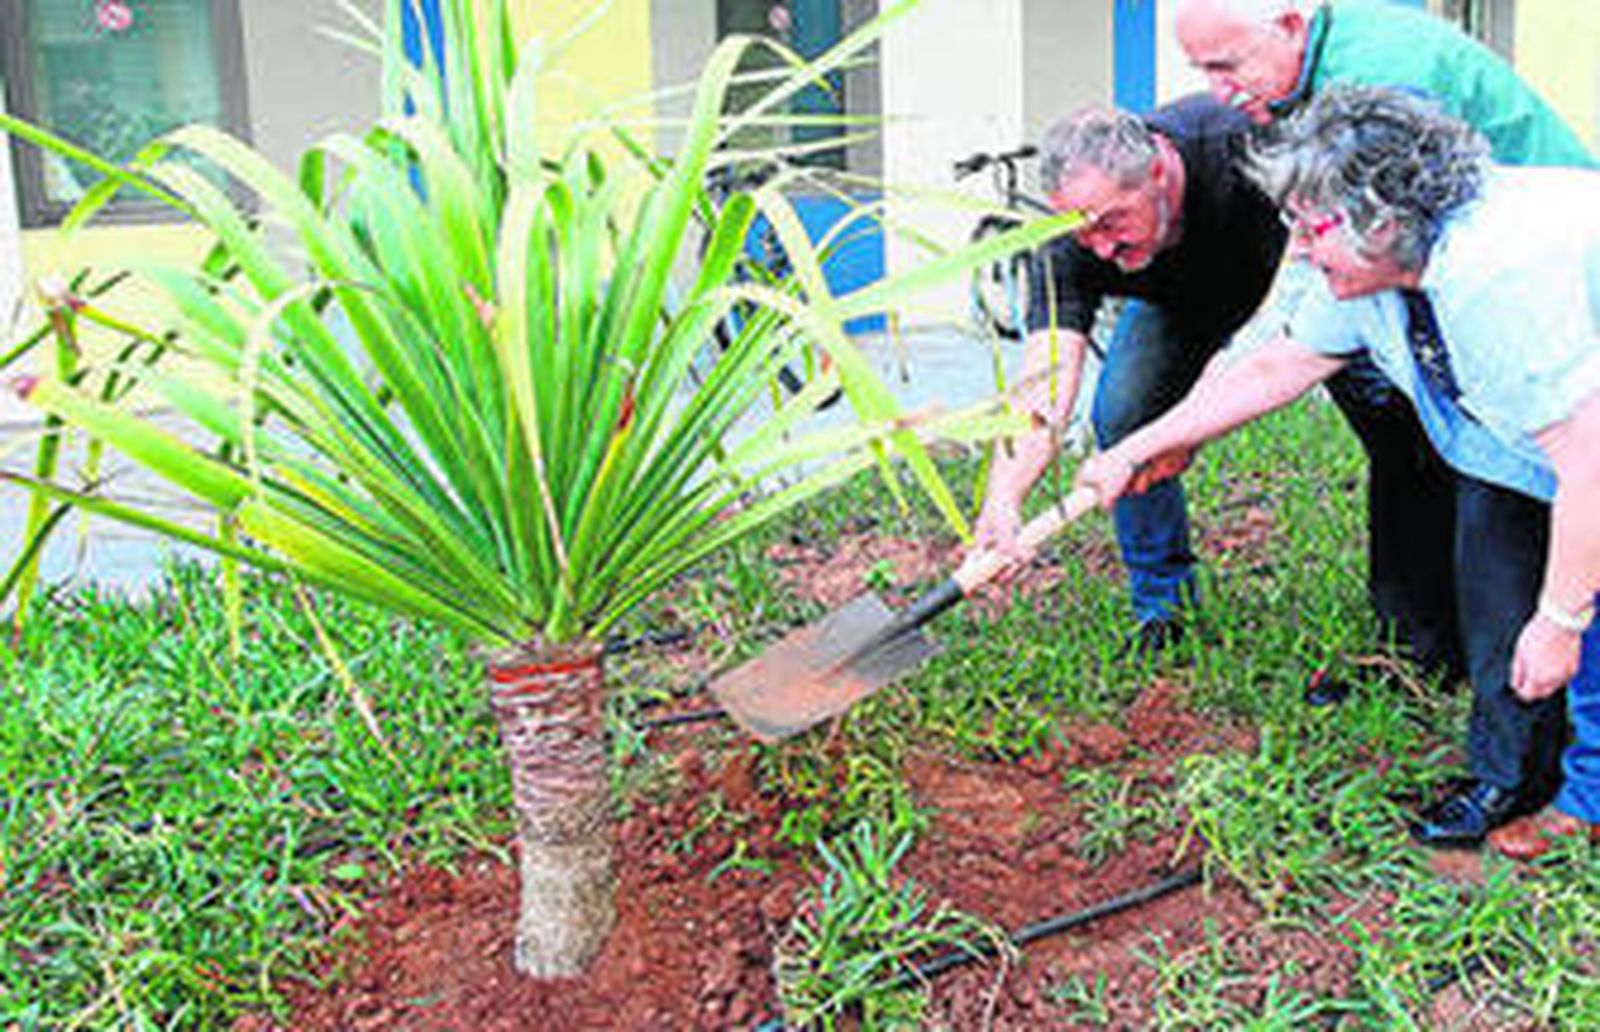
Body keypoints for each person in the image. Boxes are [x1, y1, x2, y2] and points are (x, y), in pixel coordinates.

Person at [1074, 86, 1600, 853]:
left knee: (1578, 612)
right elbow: (1280, 363)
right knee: (1516, 583)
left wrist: (1559, 622)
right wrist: (1132, 448)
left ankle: (1586, 799)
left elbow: (1590, 472)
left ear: (1383, 218)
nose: (1301, 248)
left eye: (1310, 226)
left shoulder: (1498, 275)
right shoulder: (1374, 267)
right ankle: (1538, 778)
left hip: (1583, 444)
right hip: (1530, 444)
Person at [971, 96, 1285, 656]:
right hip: (1179, 305)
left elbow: (1276, 346)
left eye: (1115, 223)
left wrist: (1190, 428)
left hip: (1299, 288)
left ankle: (1419, 623)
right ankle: (1165, 611)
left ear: (1159, 172)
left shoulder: (1243, 152)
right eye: (1084, 233)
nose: (1103, 249)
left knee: (1383, 411)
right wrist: (1003, 498)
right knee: (1122, 415)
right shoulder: (1067, 243)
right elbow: (1044, 382)